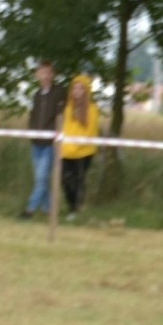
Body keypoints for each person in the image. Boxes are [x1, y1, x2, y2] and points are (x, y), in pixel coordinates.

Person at [20, 61, 64, 219]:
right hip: (35, 143)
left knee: (41, 178)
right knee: (41, 179)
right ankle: (49, 210)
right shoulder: (36, 95)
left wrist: (56, 136)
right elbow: (33, 116)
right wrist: (31, 132)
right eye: (41, 72)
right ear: (37, 75)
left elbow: (60, 116)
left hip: (49, 144)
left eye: (47, 72)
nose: (44, 76)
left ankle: (29, 210)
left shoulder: (58, 93)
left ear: (52, 75)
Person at [59, 75, 99, 219]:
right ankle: (72, 207)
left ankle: (75, 210)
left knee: (78, 181)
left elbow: (89, 132)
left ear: (86, 91)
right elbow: (65, 129)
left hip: (84, 152)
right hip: (67, 152)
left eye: (80, 88)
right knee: (64, 180)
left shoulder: (92, 110)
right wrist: (64, 145)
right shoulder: (68, 109)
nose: (77, 91)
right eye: (74, 88)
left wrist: (76, 145)